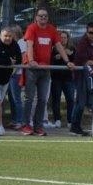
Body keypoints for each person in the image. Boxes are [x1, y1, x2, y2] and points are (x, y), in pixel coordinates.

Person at [22, 8, 73, 136]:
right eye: (41, 16)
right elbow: (29, 45)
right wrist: (31, 60)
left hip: (45, 69)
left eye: (45, 16)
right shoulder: (32, 28)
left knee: (43, 99)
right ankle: (26, 125)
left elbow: (59, 46)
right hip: (32, 69)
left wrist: (67, 61)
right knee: (29, 98)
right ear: (36, 17)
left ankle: (38, 126)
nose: (43, 18)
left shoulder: (52, 30)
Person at [48, 29, 76, 129]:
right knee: (56, 99)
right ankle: (57, 120)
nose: (63, 39)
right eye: (61, 37)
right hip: (56, 78)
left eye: (65, 37)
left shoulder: (72, 49)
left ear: (68, 39)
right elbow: (50, 61)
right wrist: (55, 58)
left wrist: (71, 55)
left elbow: (76, 61)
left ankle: (70, 120)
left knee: (70, 99)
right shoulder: (54, 49)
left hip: (68, 78)